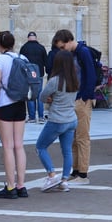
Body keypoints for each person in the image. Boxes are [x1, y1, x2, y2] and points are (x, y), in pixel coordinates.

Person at [53, 29, 96, 185]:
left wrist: (85, 97)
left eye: (63, 47)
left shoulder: (83, 52)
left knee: (82, 137)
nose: (62, 50)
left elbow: (91, 75)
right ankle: (76, 171)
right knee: (73, 138)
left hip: (82, 100)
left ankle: (83, 175)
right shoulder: (73, 54)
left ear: (69, 41)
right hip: (74, 99)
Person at [0, 30, 28, 199]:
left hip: (4, 105)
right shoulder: (23, 59)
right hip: (20, 103)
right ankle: (21, 185)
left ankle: (10, 186)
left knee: (7, 146)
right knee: (19, 145)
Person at [36, 50, 79, 193]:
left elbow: (42, 97)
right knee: (67, 151)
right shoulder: (75, 80)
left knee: (40, 146)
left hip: (57, 119)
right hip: (71, 119)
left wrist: (50, 99)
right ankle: (64, 180)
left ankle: (52, 174)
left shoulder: (55, 81)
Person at [19, 31, 48, 123]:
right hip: (39, 74)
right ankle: (41, 117)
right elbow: (46, 62)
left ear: (28, 38)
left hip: (28, 76)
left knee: (30, 94)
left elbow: (20, 62)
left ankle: (32, 117)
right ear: (36, 38)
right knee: (39, 95)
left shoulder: (24, 48)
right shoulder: (41, 48)